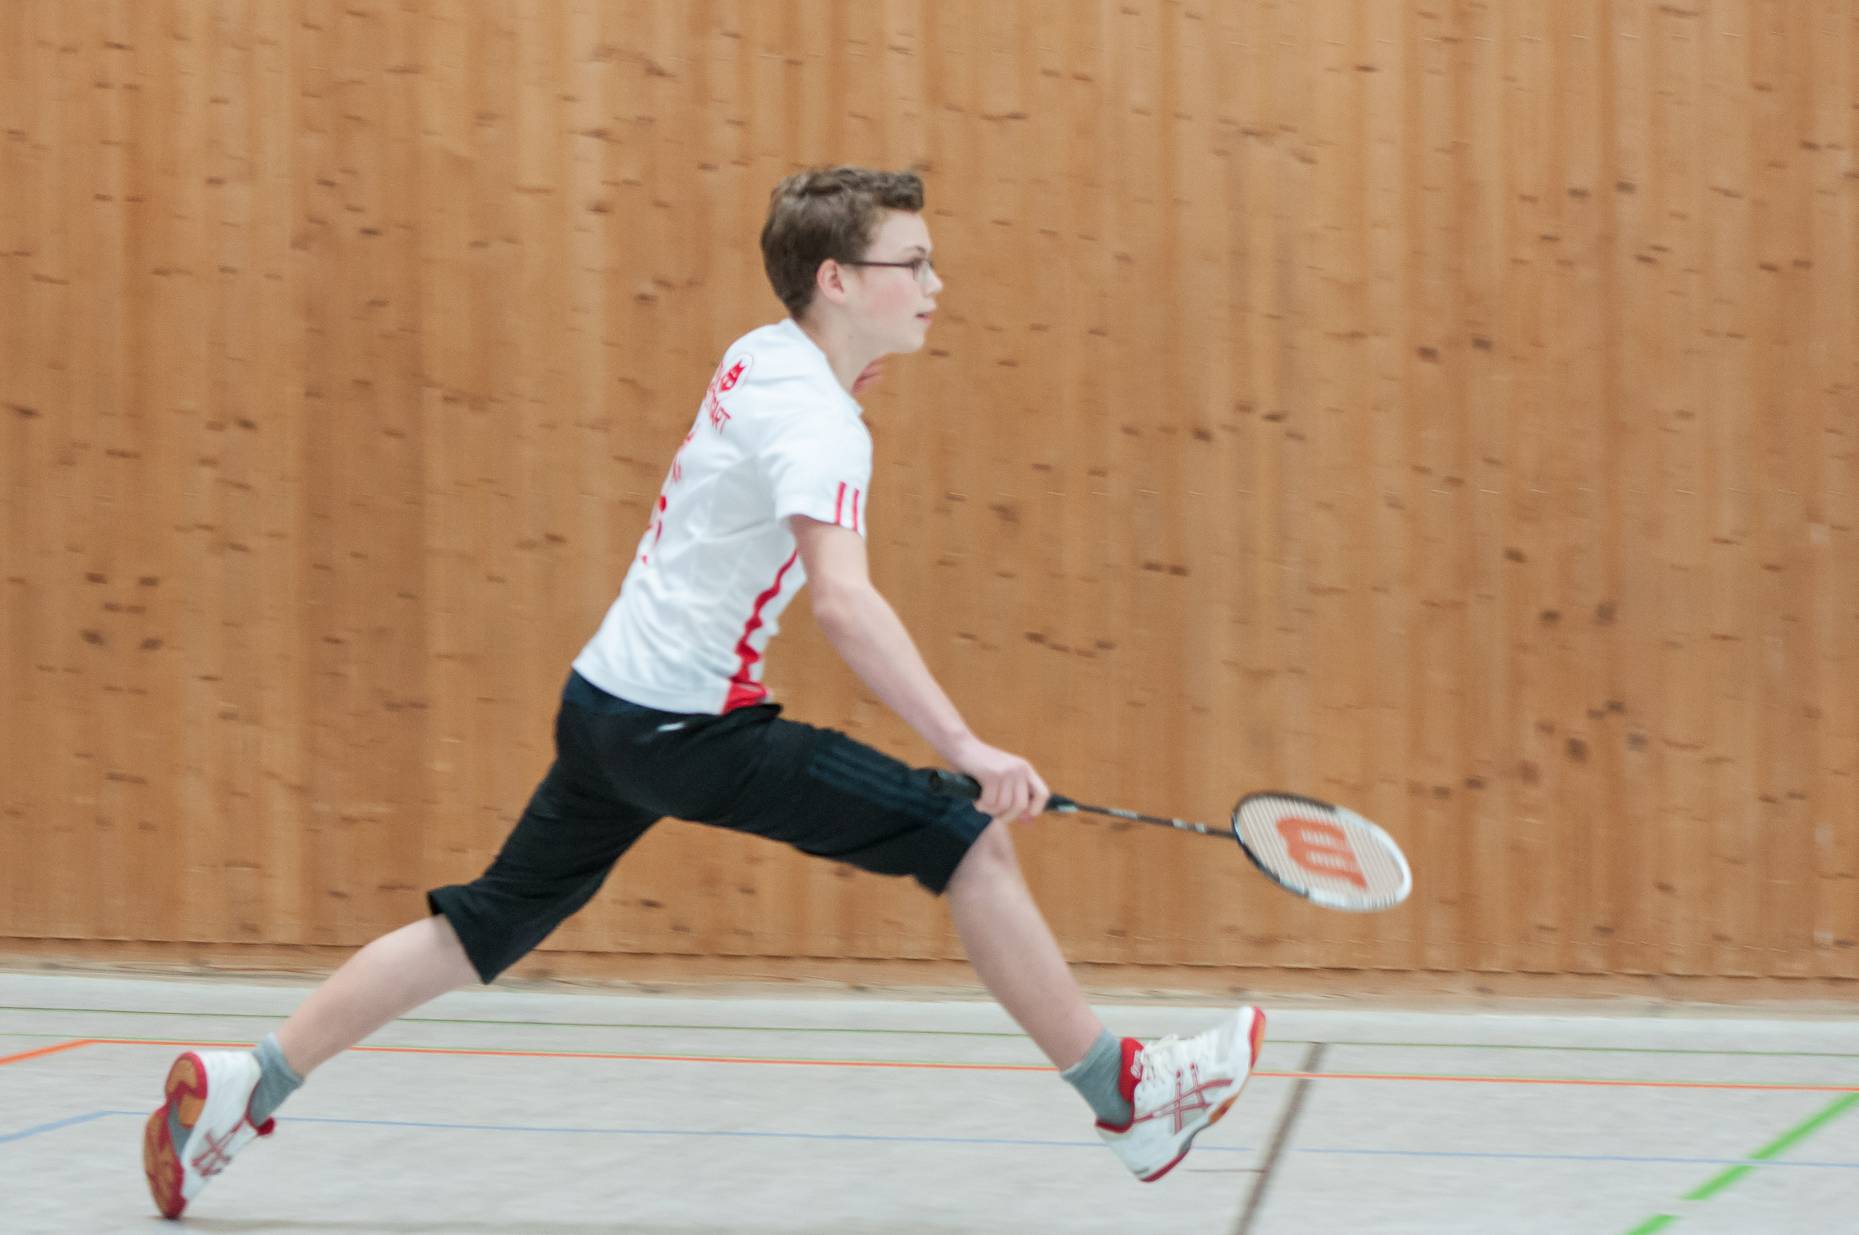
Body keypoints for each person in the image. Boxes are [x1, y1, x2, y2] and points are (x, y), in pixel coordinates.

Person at [141, 165, 1265, 1220]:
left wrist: (841, 387)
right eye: (912, 263)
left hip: (603, 704)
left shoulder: (764, 355)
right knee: (966, 838)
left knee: (482, 922)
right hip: (690, 727)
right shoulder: (820, 424)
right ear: (837, 280)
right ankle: (1128, 1097)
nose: (935, 282)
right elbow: (842, 603)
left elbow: (770, 457)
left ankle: (248, 1083)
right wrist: (966, 745)